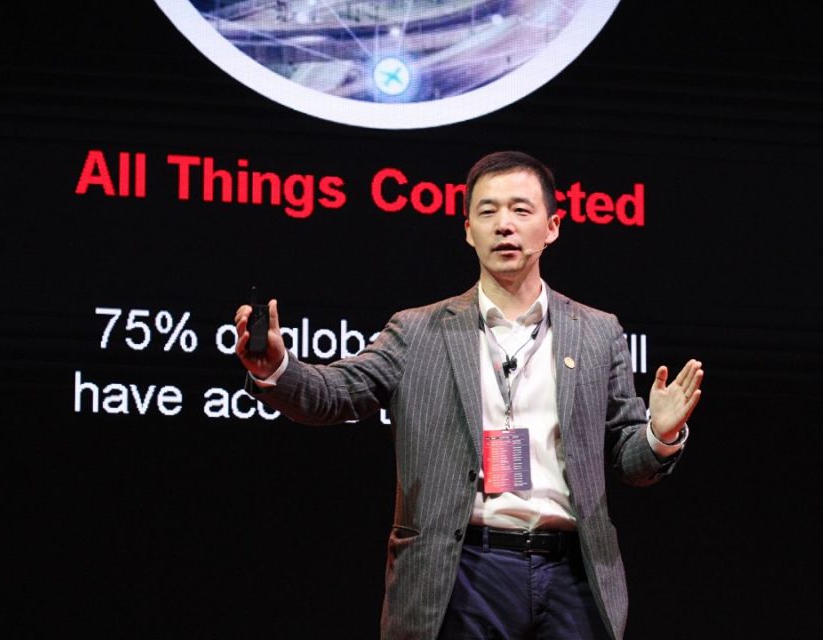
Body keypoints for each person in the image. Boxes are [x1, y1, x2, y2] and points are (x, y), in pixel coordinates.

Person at [234, 151, 703, 640]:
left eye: (520, 209)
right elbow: (337, 394)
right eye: (488, 211)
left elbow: (630, 460)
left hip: (572, 576)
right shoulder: (417, 331)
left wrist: (659, 434)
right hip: (463, 572)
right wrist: (278, 370)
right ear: (468, 231)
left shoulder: (597, 332)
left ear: (552, 227)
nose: (504, 225)